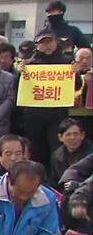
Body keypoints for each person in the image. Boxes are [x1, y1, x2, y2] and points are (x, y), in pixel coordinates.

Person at [20, 28, 74, 165]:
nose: (47, 46)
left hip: (57, 115)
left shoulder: (67, 63)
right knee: (36, 150)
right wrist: (20, 74)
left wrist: (75, 74)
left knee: (57, 151)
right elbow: (18, 88)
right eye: (42, 43)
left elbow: (75, 86)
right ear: (37, 45)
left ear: (56, 42)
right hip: (34, 116)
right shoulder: (29, 64)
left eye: (50, 41)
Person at [50, 117, 92, 186]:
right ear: (60, 137)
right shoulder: (56, 156)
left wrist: (78, 185)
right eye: (68, 134)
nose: (72, 138)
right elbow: (54, 182)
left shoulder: (91, 154)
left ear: (82, 135)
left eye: (75, 134)